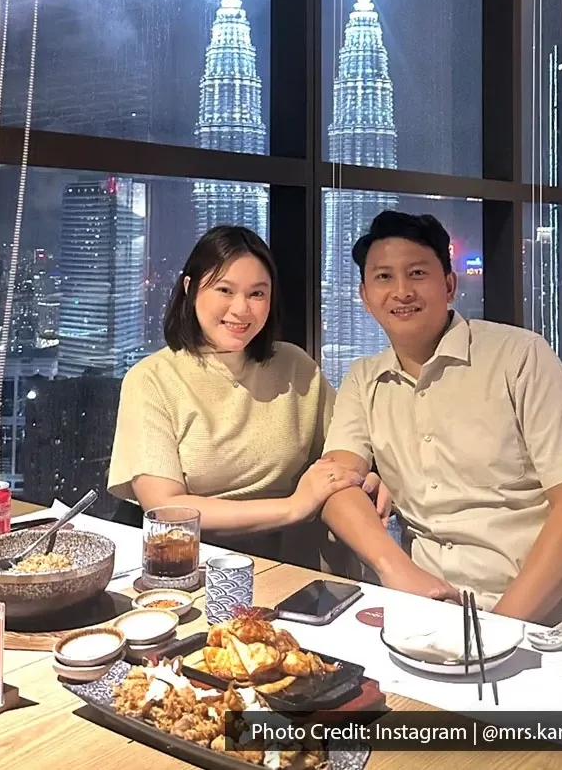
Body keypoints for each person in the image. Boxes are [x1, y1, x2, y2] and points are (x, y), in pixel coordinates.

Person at [319, 210, 562, 638]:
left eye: (417, 273)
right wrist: (395, 568)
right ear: (365, 297)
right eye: (384, 277)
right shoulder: (364, 378)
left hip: (554, 615)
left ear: (448, 285)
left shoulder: (519, 357)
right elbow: (334, 487)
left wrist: (497, 630)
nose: (401, 290)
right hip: (433, 610)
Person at [108, 225, 390, 569]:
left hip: (295, 564)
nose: (241, 309)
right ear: (190, 289)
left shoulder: (294, 367)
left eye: (257, 294)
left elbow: (349, 445)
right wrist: (293, 507)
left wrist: (370, 475)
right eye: (224, 290)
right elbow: (166, 509)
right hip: (193, 565)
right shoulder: (153, 379)